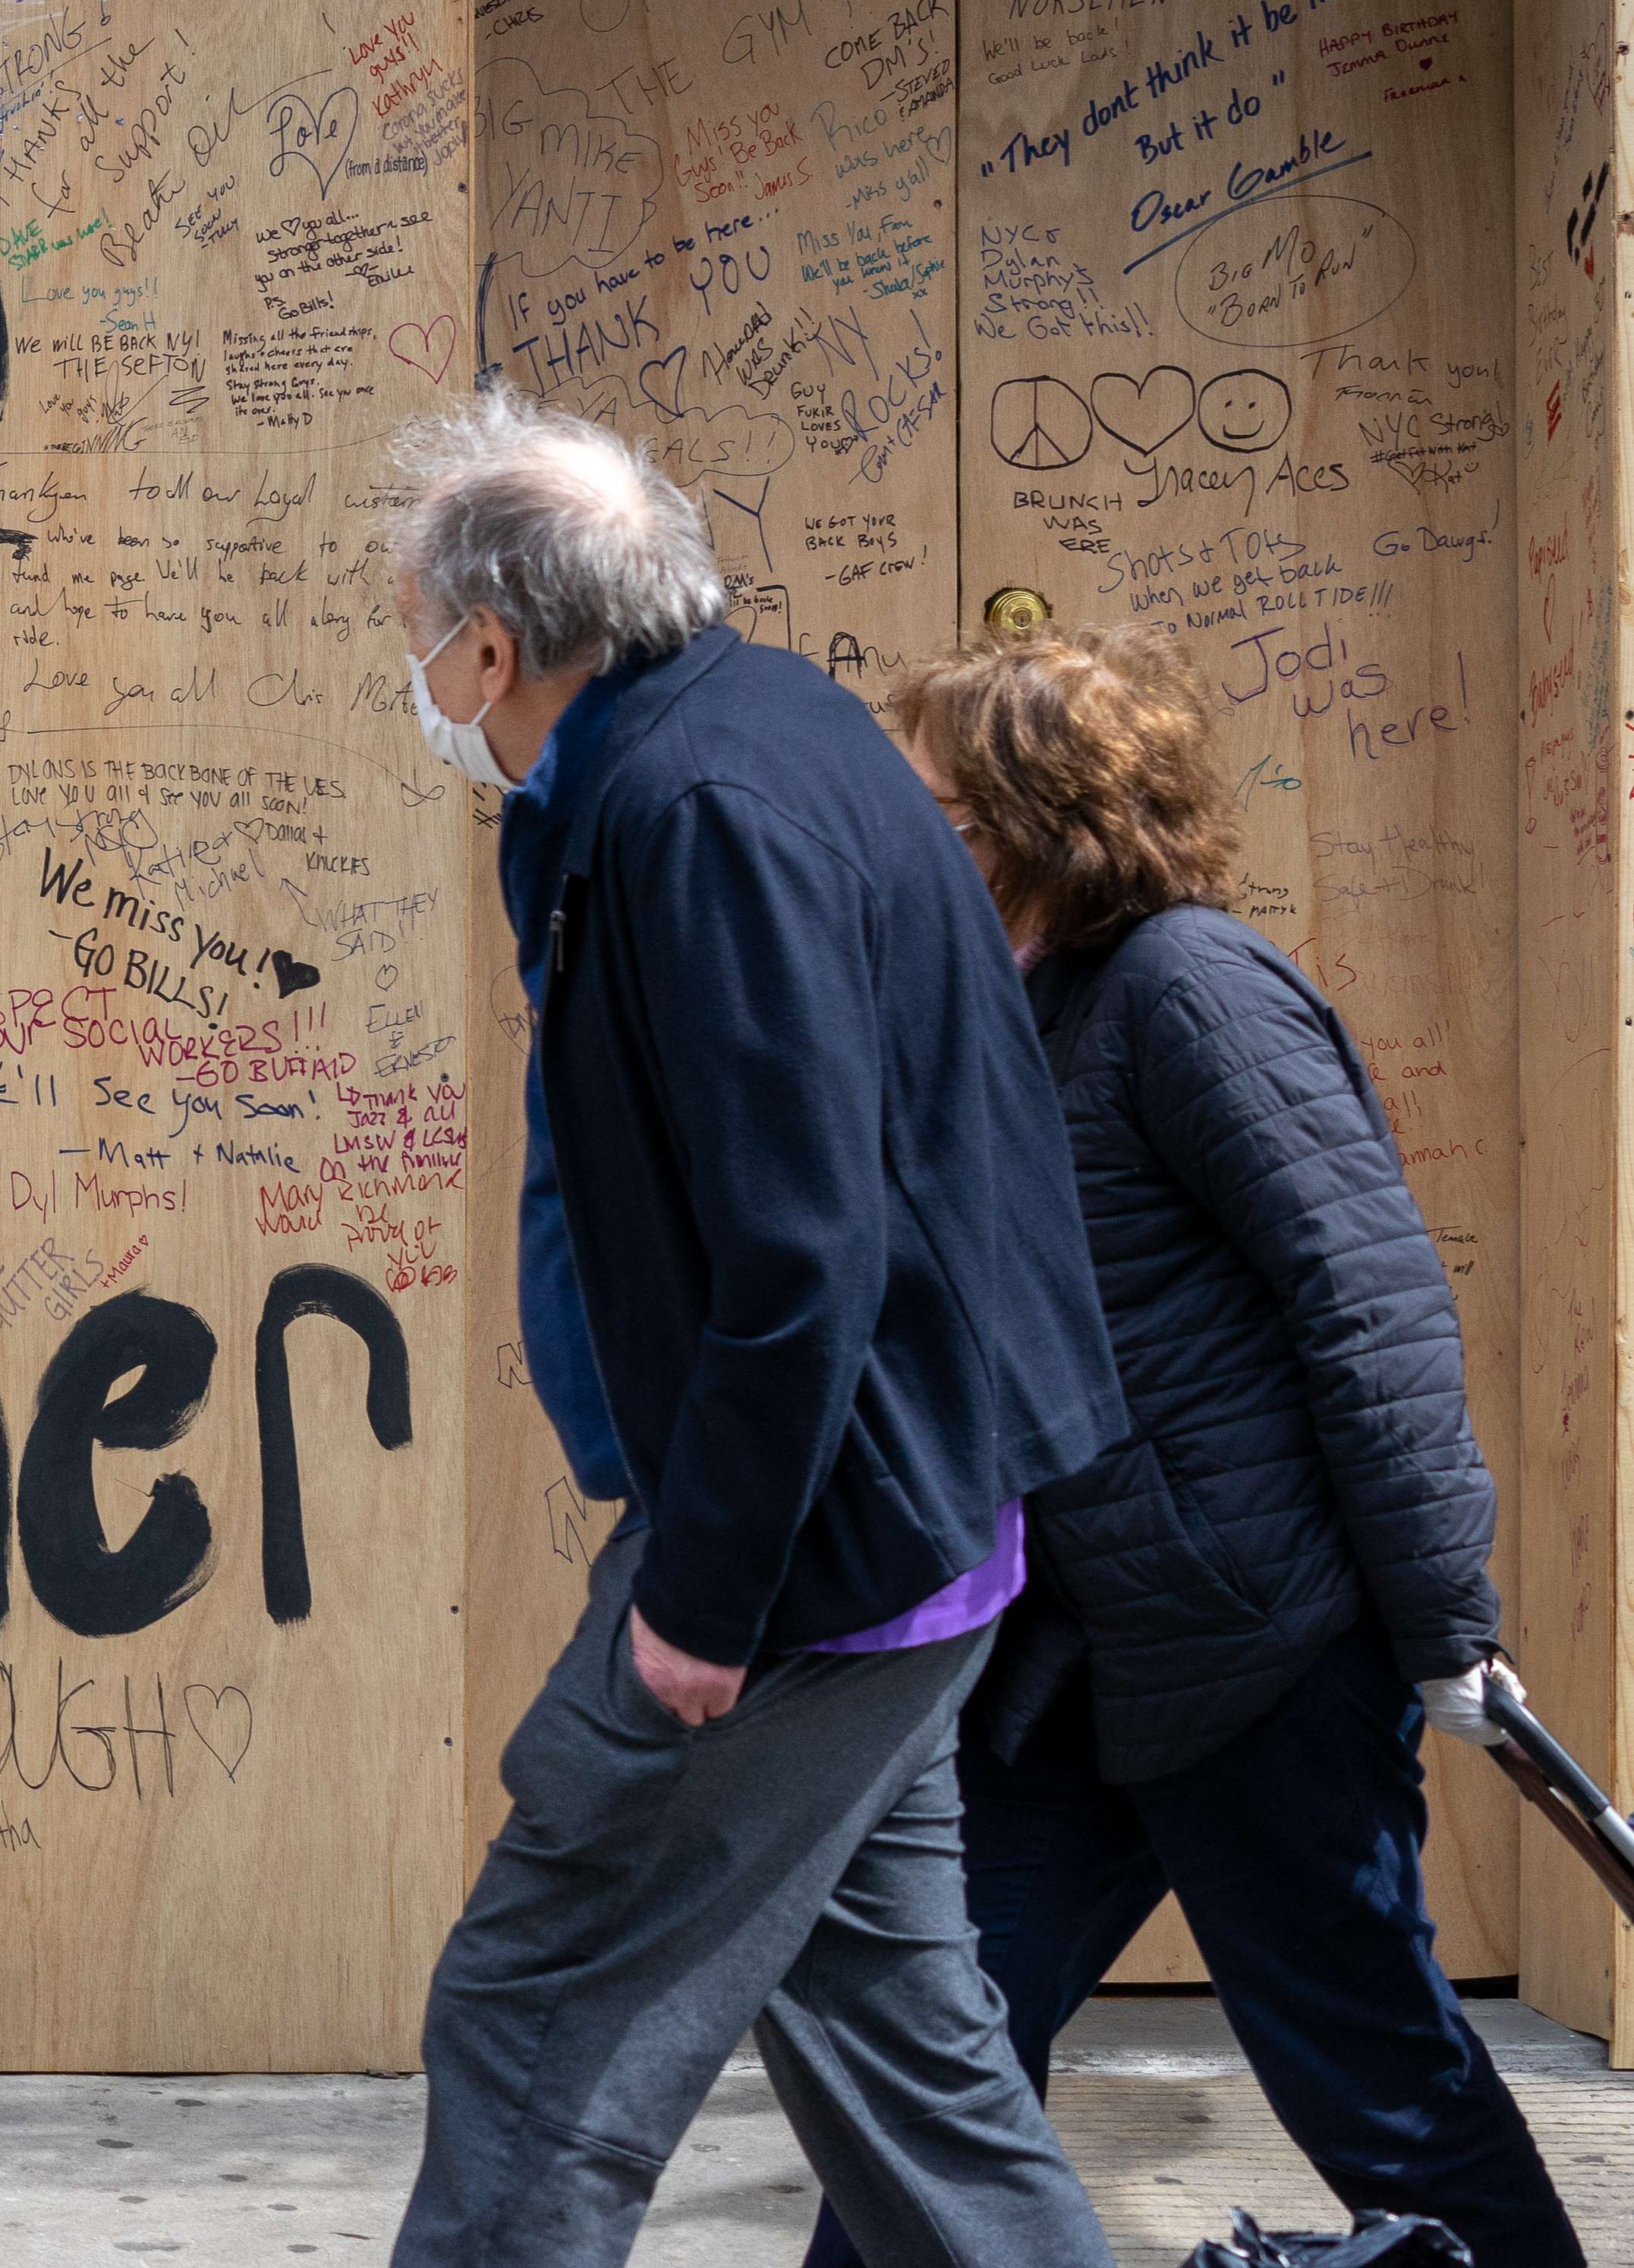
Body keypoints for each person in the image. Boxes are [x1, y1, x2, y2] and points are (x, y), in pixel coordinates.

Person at [385, 387, 1129, 2268]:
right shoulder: (751, 726)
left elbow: (807, 1250)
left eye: (425, 638)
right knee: (907, 2061)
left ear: (491, 642)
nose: (425, 678)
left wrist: (703, 1604)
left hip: (811, 1551)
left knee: (532, 2025)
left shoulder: (701, 807)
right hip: (900, 1519)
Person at [795, 621, 1583, 2268]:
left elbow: (1372, 1313)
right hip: (1076, 1661)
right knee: (934, 2055)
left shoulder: (1189, 994)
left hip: (1256, 1647)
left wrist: (1443, 1625)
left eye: (932, 806)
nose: (899, 829)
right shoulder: (1010, 1005)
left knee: (1373, 2074)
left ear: (1034, 820)